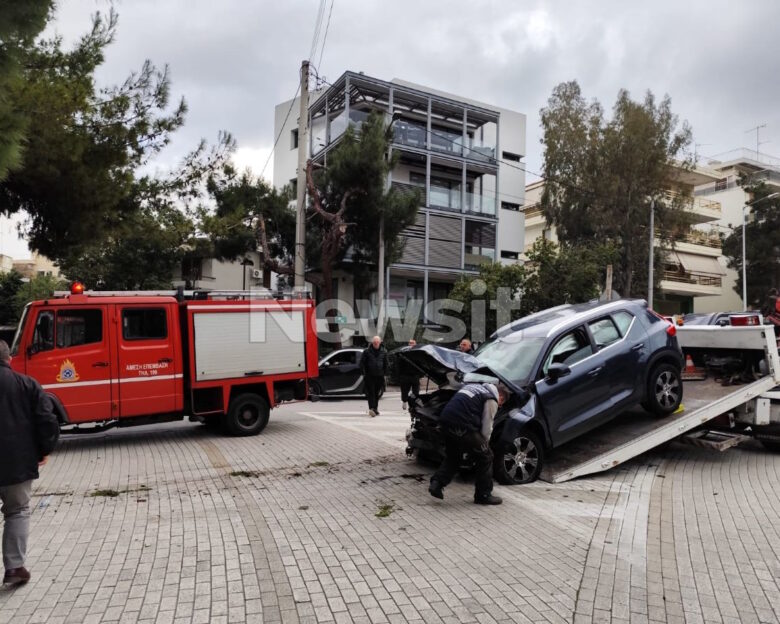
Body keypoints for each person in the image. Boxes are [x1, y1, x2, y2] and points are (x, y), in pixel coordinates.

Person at [0, 340, 59, 587]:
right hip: (16, 463)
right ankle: (14, 568)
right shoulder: (27, 384)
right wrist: (44, 450)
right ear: (9, 359)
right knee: (17, 510)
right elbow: (46, 420)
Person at [429, 382, 508, 505]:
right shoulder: (491, 399)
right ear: (501, 397)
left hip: (445, 422)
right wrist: (484, 445)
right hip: (463, 426)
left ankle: (436, 484)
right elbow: (487, 427)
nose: (500, 405)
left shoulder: (472, 387)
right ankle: (484, 495)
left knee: (454, 456)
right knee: (487, 456)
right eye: (501, 404)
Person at [360, 335, 387, 417]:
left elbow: (386, 364)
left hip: (379, 376)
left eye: (377, 342)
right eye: (374, 342)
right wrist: (364, 373)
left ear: (380, 342)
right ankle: (372, 409)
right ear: (372, 343)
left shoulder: (384, 351)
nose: (376, 344)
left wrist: (385, 374)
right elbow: (362, 363)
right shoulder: (367, 351)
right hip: (369, 376)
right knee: (371, 393)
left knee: (376, 393)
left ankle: (375, 409)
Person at [398, 339, 420, 411]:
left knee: (416, 392)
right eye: (410, 343)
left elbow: (421, 364)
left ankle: (413, 405)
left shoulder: (418, 353)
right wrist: (400, 374)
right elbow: (399, 365)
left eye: (413, 343)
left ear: (415, 344)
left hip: (415, 375)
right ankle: (404, 401)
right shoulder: (404, 353)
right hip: (405, 375)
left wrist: (420, 374)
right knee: (404, 391)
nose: (411, 344)